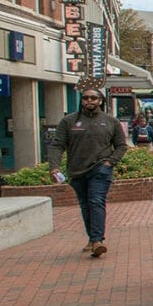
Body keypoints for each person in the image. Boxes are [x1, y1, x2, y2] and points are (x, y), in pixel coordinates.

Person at [47, 77, 129, 258]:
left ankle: (98, 240)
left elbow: (121, 146)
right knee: (85, 205)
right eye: (86, 98)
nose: (89, 101)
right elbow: (57, 145)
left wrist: (110, 162)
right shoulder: (68, 122)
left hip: (100, 169)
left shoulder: (110, 121)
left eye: (93, 98)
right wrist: (54, 167)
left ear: (100, 101)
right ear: (81, 100)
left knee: (96, 201)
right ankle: (92, 239)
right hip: (76, 170)